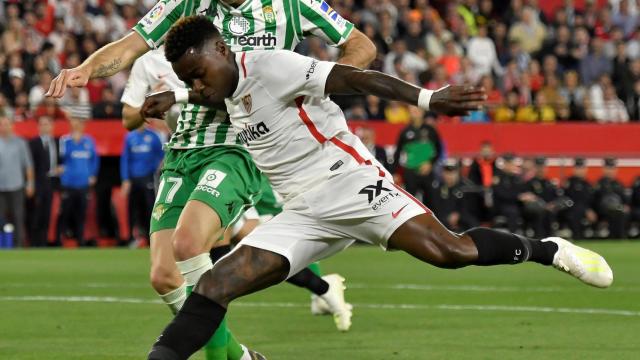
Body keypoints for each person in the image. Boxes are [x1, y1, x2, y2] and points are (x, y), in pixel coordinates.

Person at [146, 17, 613, 359]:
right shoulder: (219, 87)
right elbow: (221, 90)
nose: (197, 85)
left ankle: (547, 250)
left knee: (450, 252)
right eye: (189, 80)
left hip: (349, 183)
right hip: (302, 213)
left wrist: (427, 98)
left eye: (199, 73)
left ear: (223, 50)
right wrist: (181, 94)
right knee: (212, 285)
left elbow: (353, 76)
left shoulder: (272, 65)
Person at [47, 1, 375, 356]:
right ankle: (241, 356)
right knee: (164, 276)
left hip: (239, 144)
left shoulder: (292, 6)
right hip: (184, 147)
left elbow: (362, 45)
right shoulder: (187, 4)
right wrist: (86, 69)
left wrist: (320, 82)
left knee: (189, 245)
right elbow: (131, 43)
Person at [56, 118, 99, 247]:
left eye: (79, 124)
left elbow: (95, 160)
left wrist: (93, 175)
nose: (76, 127)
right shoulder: (65, 140)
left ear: (83, 126)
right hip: (68, 183)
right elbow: (60, 159)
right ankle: (59, 240)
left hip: (83, 184)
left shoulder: (89, 141)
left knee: (82, 214)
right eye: (74, 124)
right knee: (65, 213)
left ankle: (81, 241)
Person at [120, 124, 164, 246]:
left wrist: (156, 170)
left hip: (148, 178)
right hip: (133, 178)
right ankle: (131, 238)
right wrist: (125, 179)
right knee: (132, 209)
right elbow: (125, 159)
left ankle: (151, 238)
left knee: (149, 208)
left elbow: (162, 156)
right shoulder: (129, 137)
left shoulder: (153, 136)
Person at [392, 108, 442, 204]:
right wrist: (395, 172)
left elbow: (439, 150)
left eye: (417, 110)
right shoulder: (405, 132)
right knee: (410, 203)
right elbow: (397, 153)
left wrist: (430, 163)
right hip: (410, 172)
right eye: (412, 110)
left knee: (431, 202)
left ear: (423, 112)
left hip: (427, 172)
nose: (415, 112)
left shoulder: (431, 130)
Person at [0, 115, 34, 247]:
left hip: (17, 186)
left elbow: (28, 165)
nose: (4, 127)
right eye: (2, 124)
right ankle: (2, 245)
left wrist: (30, 183)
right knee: (0, 218)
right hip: (0, 187)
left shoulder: (20, 142)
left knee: (18, 217)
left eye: (6, 124)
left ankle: (18, 245)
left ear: (12, 126)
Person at [28, 116, 58, 247]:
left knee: (47, 214)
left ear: (51, 126)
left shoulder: (57, 142)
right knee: (36, 215)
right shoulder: (33, 143)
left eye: (47, 124)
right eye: (42, 124)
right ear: (38, 127)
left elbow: (60, 161)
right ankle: (34, 243)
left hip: (51, 183)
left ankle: (44, 243)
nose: (45, 127)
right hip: (38, 184)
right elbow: (30, 166)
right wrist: (31, 183)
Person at [428, 159, 480, 231]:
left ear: (457, 172)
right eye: (447, 172)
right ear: (443, 173)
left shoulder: (466, 188)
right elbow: (435, 209)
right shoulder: (437, 189)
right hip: (443, 224)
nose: (449, 176)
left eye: (452, 172)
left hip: (464, 224)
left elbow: (473, 210)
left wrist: (459, 216)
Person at [593, 158, 629, 239]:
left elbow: (625, 200)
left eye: (612, 168)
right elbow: (593, 201)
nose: (610, 171)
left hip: (618, 211)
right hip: (602, 213)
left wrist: (626, 206)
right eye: (608, 168)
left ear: (616, 169)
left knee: (620, 212)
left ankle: (620, 237)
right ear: (603, 169)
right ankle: (614, 237)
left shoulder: (619, 184)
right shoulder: (598, 184)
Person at [563, 157, 597, 239]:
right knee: (576, 212)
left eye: (582, 168)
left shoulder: (587, 184)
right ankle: (577, 237)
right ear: (574, 169)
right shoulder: (570, 183)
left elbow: (591, 200)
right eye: (578, 168)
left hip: (588, 211)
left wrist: (590, 210)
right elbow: (571, 200)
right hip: (573, 211)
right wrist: (586, 210)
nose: (581, 170)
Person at [492, 154, 525, 233]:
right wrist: (518, 196)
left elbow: (520, 190)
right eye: (509, 163)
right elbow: (501, 194)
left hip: (515, 203)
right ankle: (513, 236)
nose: (512, 166)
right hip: (502, 205)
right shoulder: (498, 177)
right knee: (513, 212)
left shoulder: (515, 177)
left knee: (529, 210)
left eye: (512, 163)